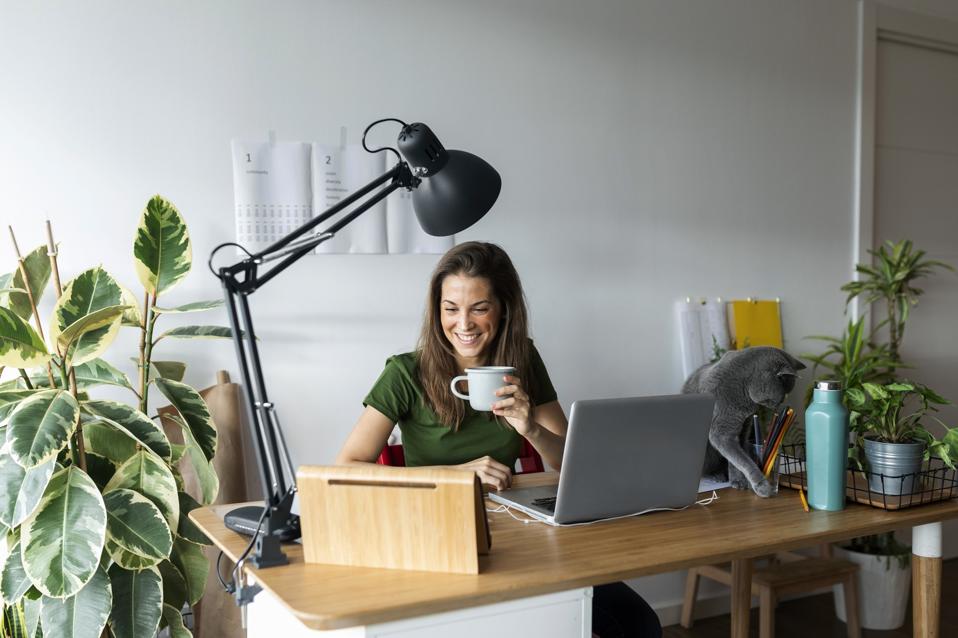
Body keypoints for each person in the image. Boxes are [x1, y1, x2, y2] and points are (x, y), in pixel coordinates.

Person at [336, 241, 662, 638]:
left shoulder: (522, 359)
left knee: (639, 624)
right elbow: (347, 468)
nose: (464, 324)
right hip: (438, 535)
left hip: (518, 532)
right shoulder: (406, 373)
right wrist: (457, 474)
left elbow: (570, 462)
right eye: (450, 308)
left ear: (504, 307)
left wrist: (531, 428)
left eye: (479, 307)